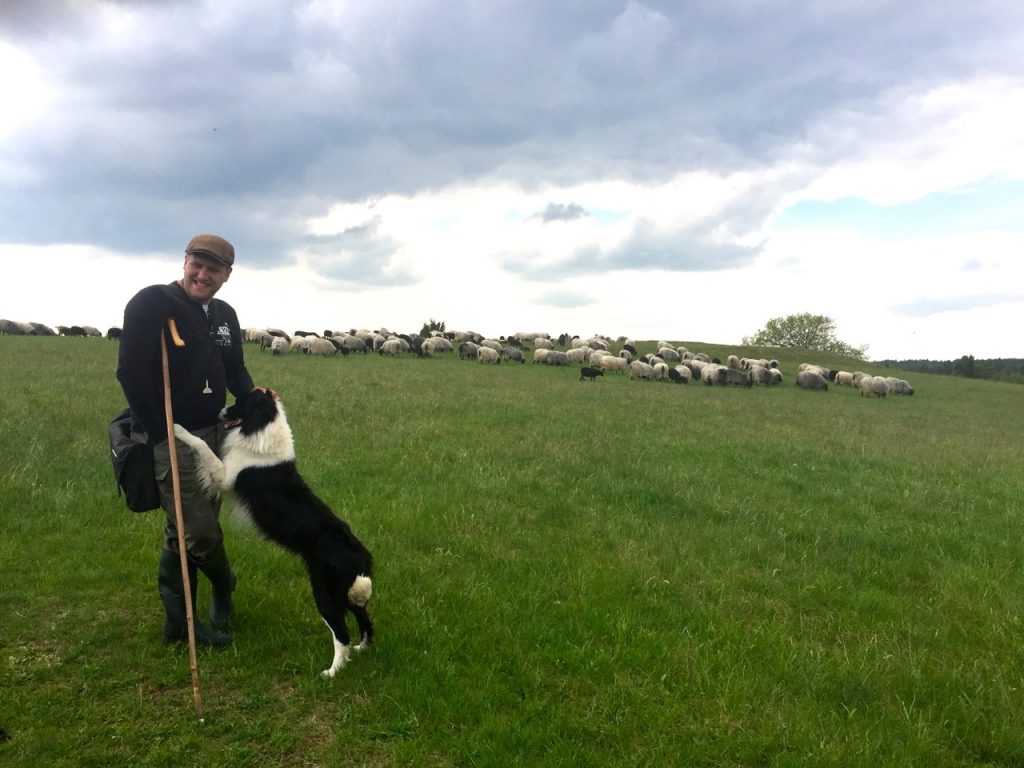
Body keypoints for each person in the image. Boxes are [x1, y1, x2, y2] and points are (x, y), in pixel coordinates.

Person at [117, 234, 256, 647]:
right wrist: (161, 434)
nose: (203, 274)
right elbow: (131, 373)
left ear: (227, 276)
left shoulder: (226, 315)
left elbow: (235, 371)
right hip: (173, 432)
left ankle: (179, 625)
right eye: (198, 263)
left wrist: (252, 399)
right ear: (184, 261)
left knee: (188, 525)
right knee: (197, 531)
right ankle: (224, 582)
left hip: (217, 432)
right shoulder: (154, 303)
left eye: (214, 268)